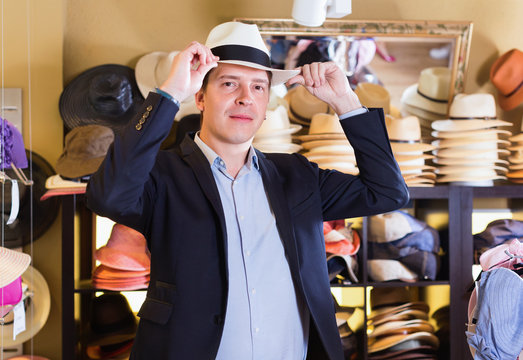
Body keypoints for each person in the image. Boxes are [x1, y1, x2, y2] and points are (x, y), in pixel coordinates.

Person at [86, 21, 409, 360]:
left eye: (258, 87)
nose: (245, 98)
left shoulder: (297, 175)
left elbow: (387, 192)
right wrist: (169, 93)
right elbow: (107, 197)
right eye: (229, 83)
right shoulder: (161, 175)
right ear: (199, 97)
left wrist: (345, 101)